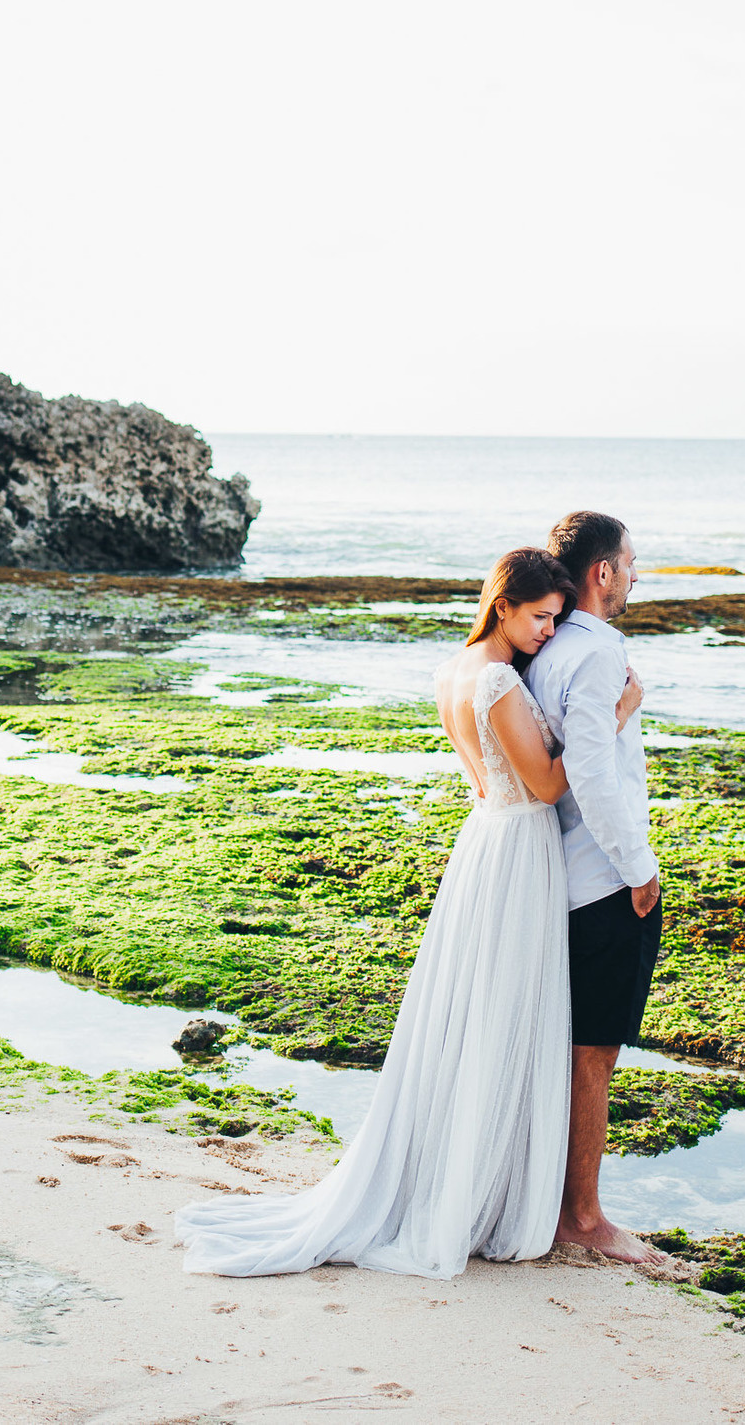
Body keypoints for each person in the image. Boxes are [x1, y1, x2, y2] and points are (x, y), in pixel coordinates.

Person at [174, 547, 643, 1278]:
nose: (551, 632)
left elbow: (487, 774)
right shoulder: (492, 680)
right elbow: (551, 786)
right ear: (503, 608)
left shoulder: (452, 672)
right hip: (518, 850)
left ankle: (478, 1176)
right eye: (541, 618)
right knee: (503, 1017)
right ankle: (480, 1193)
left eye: (557, 618)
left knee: (478, 1013)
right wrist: (616, 713)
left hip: (484, 837)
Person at [524, 510, 662, 1265]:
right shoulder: (598, 653)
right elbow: (593, 774)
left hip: (558, 872)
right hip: (601, 880)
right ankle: (582, 1214)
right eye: (632, 563)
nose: (636, 575)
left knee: (569, 1047)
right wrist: (639, 868)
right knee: (593, 1054)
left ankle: (559, 1200)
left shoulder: (542, 648)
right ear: (603, 572)